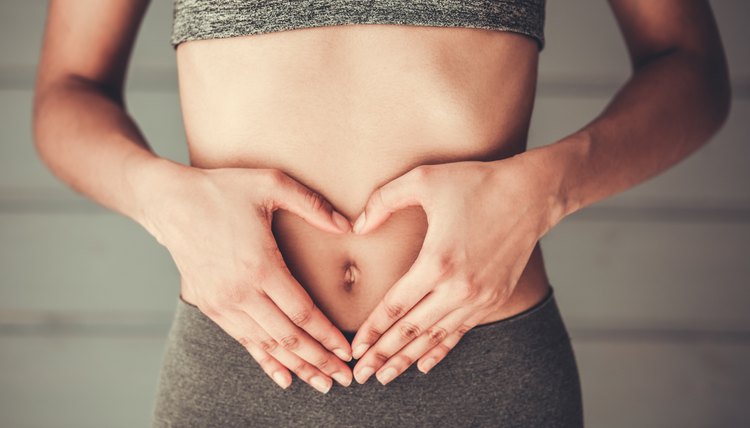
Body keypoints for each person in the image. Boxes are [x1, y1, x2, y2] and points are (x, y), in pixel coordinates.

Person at [32, 0, 730, 426]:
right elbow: (69, 89)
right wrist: (164, 200)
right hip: (242, 367)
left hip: (483, 371)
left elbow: (690, 69)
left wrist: (545, 188)